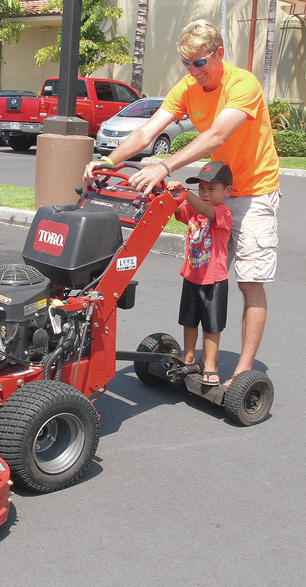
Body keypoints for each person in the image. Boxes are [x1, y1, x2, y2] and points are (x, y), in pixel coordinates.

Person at [83, 19, 280, 384]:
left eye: (199, 63)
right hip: (212, 192)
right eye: (186, 64)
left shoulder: (243, 84)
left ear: (219, 54)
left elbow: (217, 135)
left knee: (249, 282)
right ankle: (195, 356)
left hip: (253, 192)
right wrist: (109, 160)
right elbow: (147, 130)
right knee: (204, 275)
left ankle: (244, 370)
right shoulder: (189, 86)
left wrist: (164, 165)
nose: (193, 71)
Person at [169, 162, 233, 386]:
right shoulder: (192, 211)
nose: (205, 194)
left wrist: (185, 194)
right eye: (201, 189)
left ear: (227, 192)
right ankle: (188, 357)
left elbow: (205, 210)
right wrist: (166, 193)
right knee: (189, 321)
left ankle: (210, 365)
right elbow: (176, 208)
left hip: (214, 280)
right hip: (191, 276)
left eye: (211, 189)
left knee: (211, 326)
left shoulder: (222, 213)